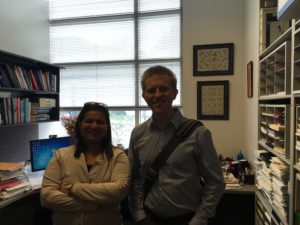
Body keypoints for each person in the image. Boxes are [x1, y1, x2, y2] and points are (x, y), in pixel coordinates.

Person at [128, 65, 225, 225]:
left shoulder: (198, 133)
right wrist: (139, 214)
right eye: (151, 90)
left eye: (163, 89)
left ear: (174, 93)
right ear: (144, 96)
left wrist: (199, 219)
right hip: (149, 219)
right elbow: (135, 178)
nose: (157, 95)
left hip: (187, 219)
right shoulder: (137, 134)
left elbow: (215, 182)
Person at [41, 102, 130, 225]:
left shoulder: (118, 156)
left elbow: (118, 191)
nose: (94, 126)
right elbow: (47, 197)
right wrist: (92, 204)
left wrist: (71, 188)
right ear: (80, 124)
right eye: (89, 121)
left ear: (107, 127)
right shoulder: (61, 155)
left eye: (100, 122)